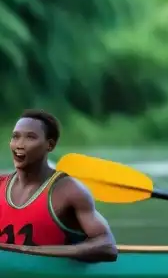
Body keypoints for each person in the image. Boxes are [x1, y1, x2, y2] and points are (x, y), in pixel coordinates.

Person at [0, 110, 118, 262]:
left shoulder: (69, 191)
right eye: (15, 137)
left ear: (50, 145)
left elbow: (107, 247)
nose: (19, 145)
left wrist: (26, 250)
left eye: (30, 137)